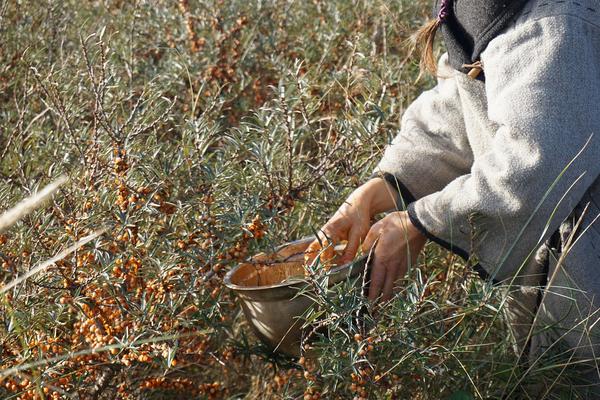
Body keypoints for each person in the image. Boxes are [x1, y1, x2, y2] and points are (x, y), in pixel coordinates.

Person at [310, 0, 600, 394]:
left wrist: (421, 222)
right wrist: (386, 186)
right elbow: (465, 102)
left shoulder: (560, 19)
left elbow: (536, 162)